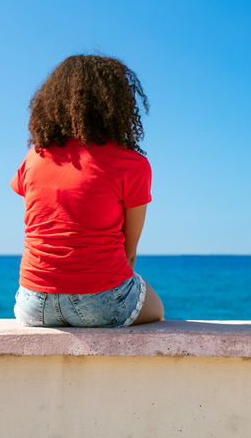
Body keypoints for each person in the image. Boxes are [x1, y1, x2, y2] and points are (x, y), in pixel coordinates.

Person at [11, 54, 164, 327]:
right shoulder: (133, 164)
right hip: (100, 300)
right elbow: (129, 250)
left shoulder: (34, 156)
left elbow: (41, 224)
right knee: (158, 310)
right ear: (117, 105)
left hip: (34, 302)